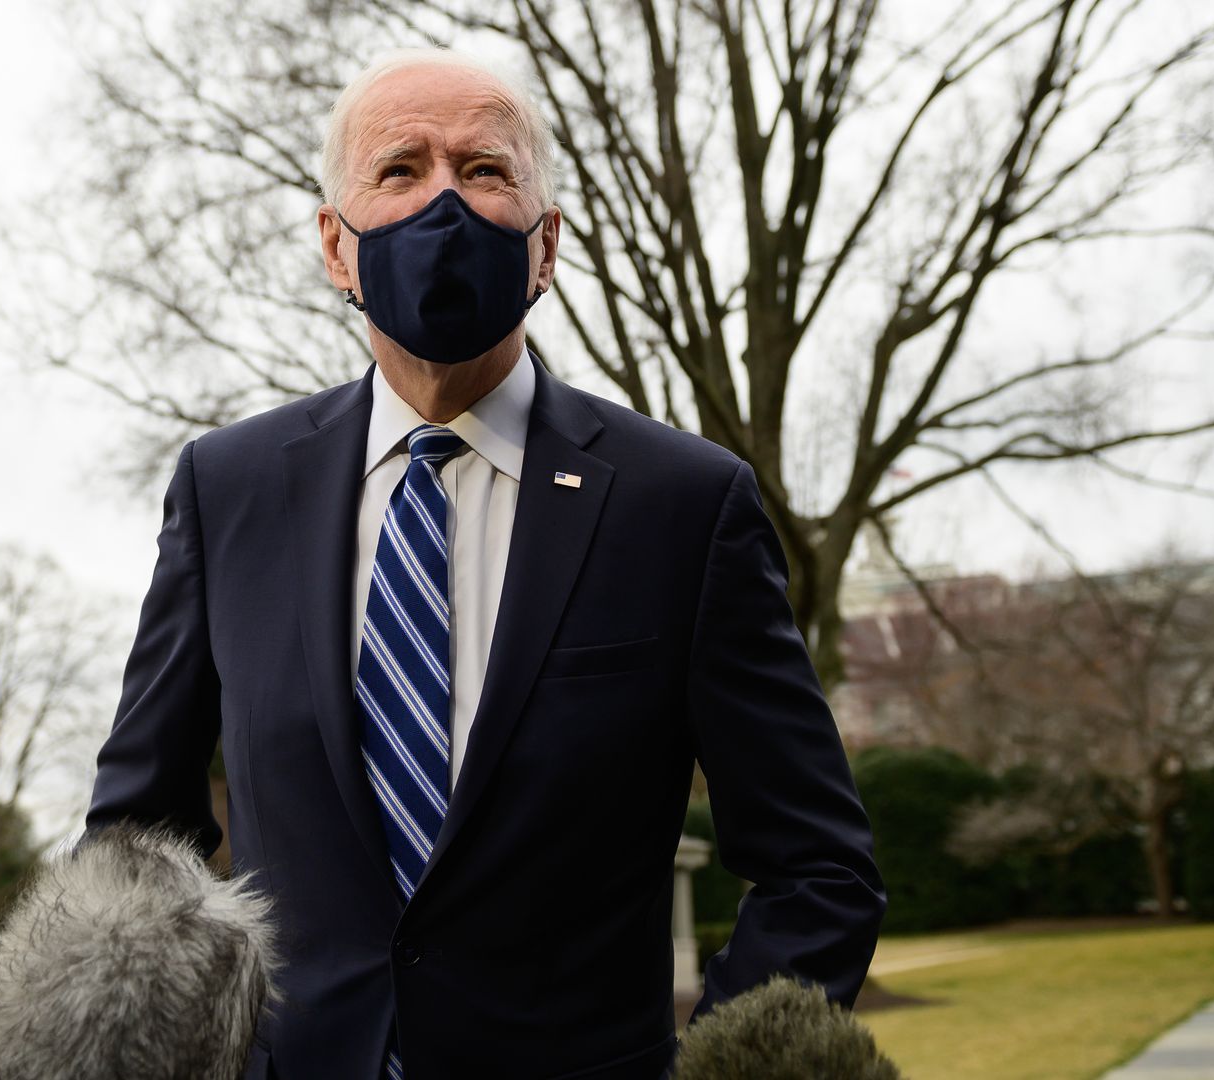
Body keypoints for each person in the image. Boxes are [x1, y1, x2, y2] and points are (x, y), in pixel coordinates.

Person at [85, 47, 886, 1080]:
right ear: (337, 245)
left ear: (545, 246)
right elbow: (136, 845)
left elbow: (817, 868)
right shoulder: (226, 489)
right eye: (400, 171)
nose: (444, 204)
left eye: (486, 171)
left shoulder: (683, 505)